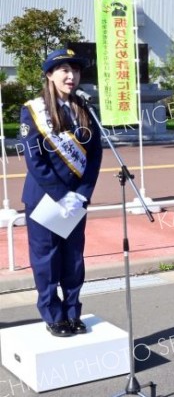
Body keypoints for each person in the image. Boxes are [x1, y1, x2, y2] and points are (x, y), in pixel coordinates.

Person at [20, 49, 103, 336]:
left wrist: (81, 193)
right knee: (46, 260)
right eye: (64, 70)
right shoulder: (34, 110)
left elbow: (94, 156)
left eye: (75, 71)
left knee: (73, 260)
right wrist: (61, 194)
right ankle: (53, 315)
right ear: (49, 75)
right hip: (44, 199)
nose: (71, 76)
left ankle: (71, 311)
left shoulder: (84, 108)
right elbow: (34, 160)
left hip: (76, 200)